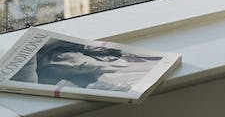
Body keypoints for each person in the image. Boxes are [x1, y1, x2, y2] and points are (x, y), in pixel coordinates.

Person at [33, 39, 161, 92]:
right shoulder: (110, 87)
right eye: (54, 68)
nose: (67, 65)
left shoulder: (129, 54)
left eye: (58, 57)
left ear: (74, 51)